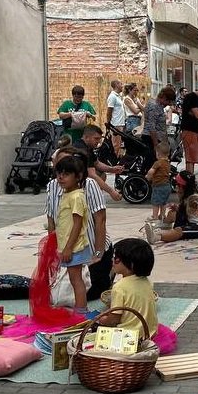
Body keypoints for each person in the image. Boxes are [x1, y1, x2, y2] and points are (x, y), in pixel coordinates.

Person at [45, 147, 114, 300]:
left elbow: (100, 219)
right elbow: (51, 219)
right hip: (66, 248)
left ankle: (106, 272)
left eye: (67, 169)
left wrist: (98, 252)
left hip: (88, 247)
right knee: (60, 291)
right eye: (59, 169)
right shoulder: (52, 186)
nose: (61, 175)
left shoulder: (87, 186)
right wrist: (54, 250)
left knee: (88, 289)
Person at [47, 154, 91, 310]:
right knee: (74, 278)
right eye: (59, 174)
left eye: (66, 174)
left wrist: (68, 248)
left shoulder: (77, 197)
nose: (61, 177)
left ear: (78, 176)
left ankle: (81, 311)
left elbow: (77, 224)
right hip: (69, 246)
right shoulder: (68, 194)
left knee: (76, 279)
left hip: (75, 247)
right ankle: (81, 309)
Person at [98, 237, 158, 337]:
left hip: (127, 337)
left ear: (131, 264)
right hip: (149, 333)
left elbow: (114, 319)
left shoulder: (119, 287)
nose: (112, 260)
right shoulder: (147, 282)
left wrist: (102, 320)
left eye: (116, 259)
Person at [144, 170, 198, 245]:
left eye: (178, 185)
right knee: (172, 213)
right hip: (189, 219)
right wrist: (177, 208)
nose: (176, 187)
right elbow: (187, 212)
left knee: (178, 231)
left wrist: (179, 208)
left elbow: (194, 212)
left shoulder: (194, 198)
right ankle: (164, 226)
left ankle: (157, 236)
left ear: (184, 186)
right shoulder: (187, 194)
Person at [78, 125, 123, 201]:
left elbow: (97, 164)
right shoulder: (83, 150)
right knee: (96, 176)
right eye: (96, 138)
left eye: (99, 139)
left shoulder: (86, 146)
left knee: (102, 174)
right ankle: (92, 198)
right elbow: (92, 175)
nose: (98, 141)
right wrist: (111, 191)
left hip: (78, 178)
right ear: (86, 137)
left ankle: (93, 197)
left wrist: (112, 169)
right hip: (73, 181)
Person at [142, 86, 175, 154]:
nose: (169, 104)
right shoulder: (154, 106)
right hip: (151, 139)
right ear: (164, 97)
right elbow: (152, 127)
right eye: (168, 101)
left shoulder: (159, 106)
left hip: (159, 139)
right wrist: (156, 145)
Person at [145, 143, 173, 223]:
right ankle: (162, 215)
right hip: (167, 185)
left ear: (158, 154)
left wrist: (148, 177)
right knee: (163, 201)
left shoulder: (158, 163)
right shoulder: (168, 163)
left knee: (155, 202)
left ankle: (155, 216)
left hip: (158, 186)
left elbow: (151, 171)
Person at [105, 80, 125, 153]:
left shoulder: (118, 96)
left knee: (118, 145)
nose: (122, 86)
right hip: (116, 124)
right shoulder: (112, 97)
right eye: (121, 84)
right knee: (115, 145)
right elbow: (109, 110)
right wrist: (109, 123)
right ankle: (113, 162)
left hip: (120, 123)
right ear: (116, 85)